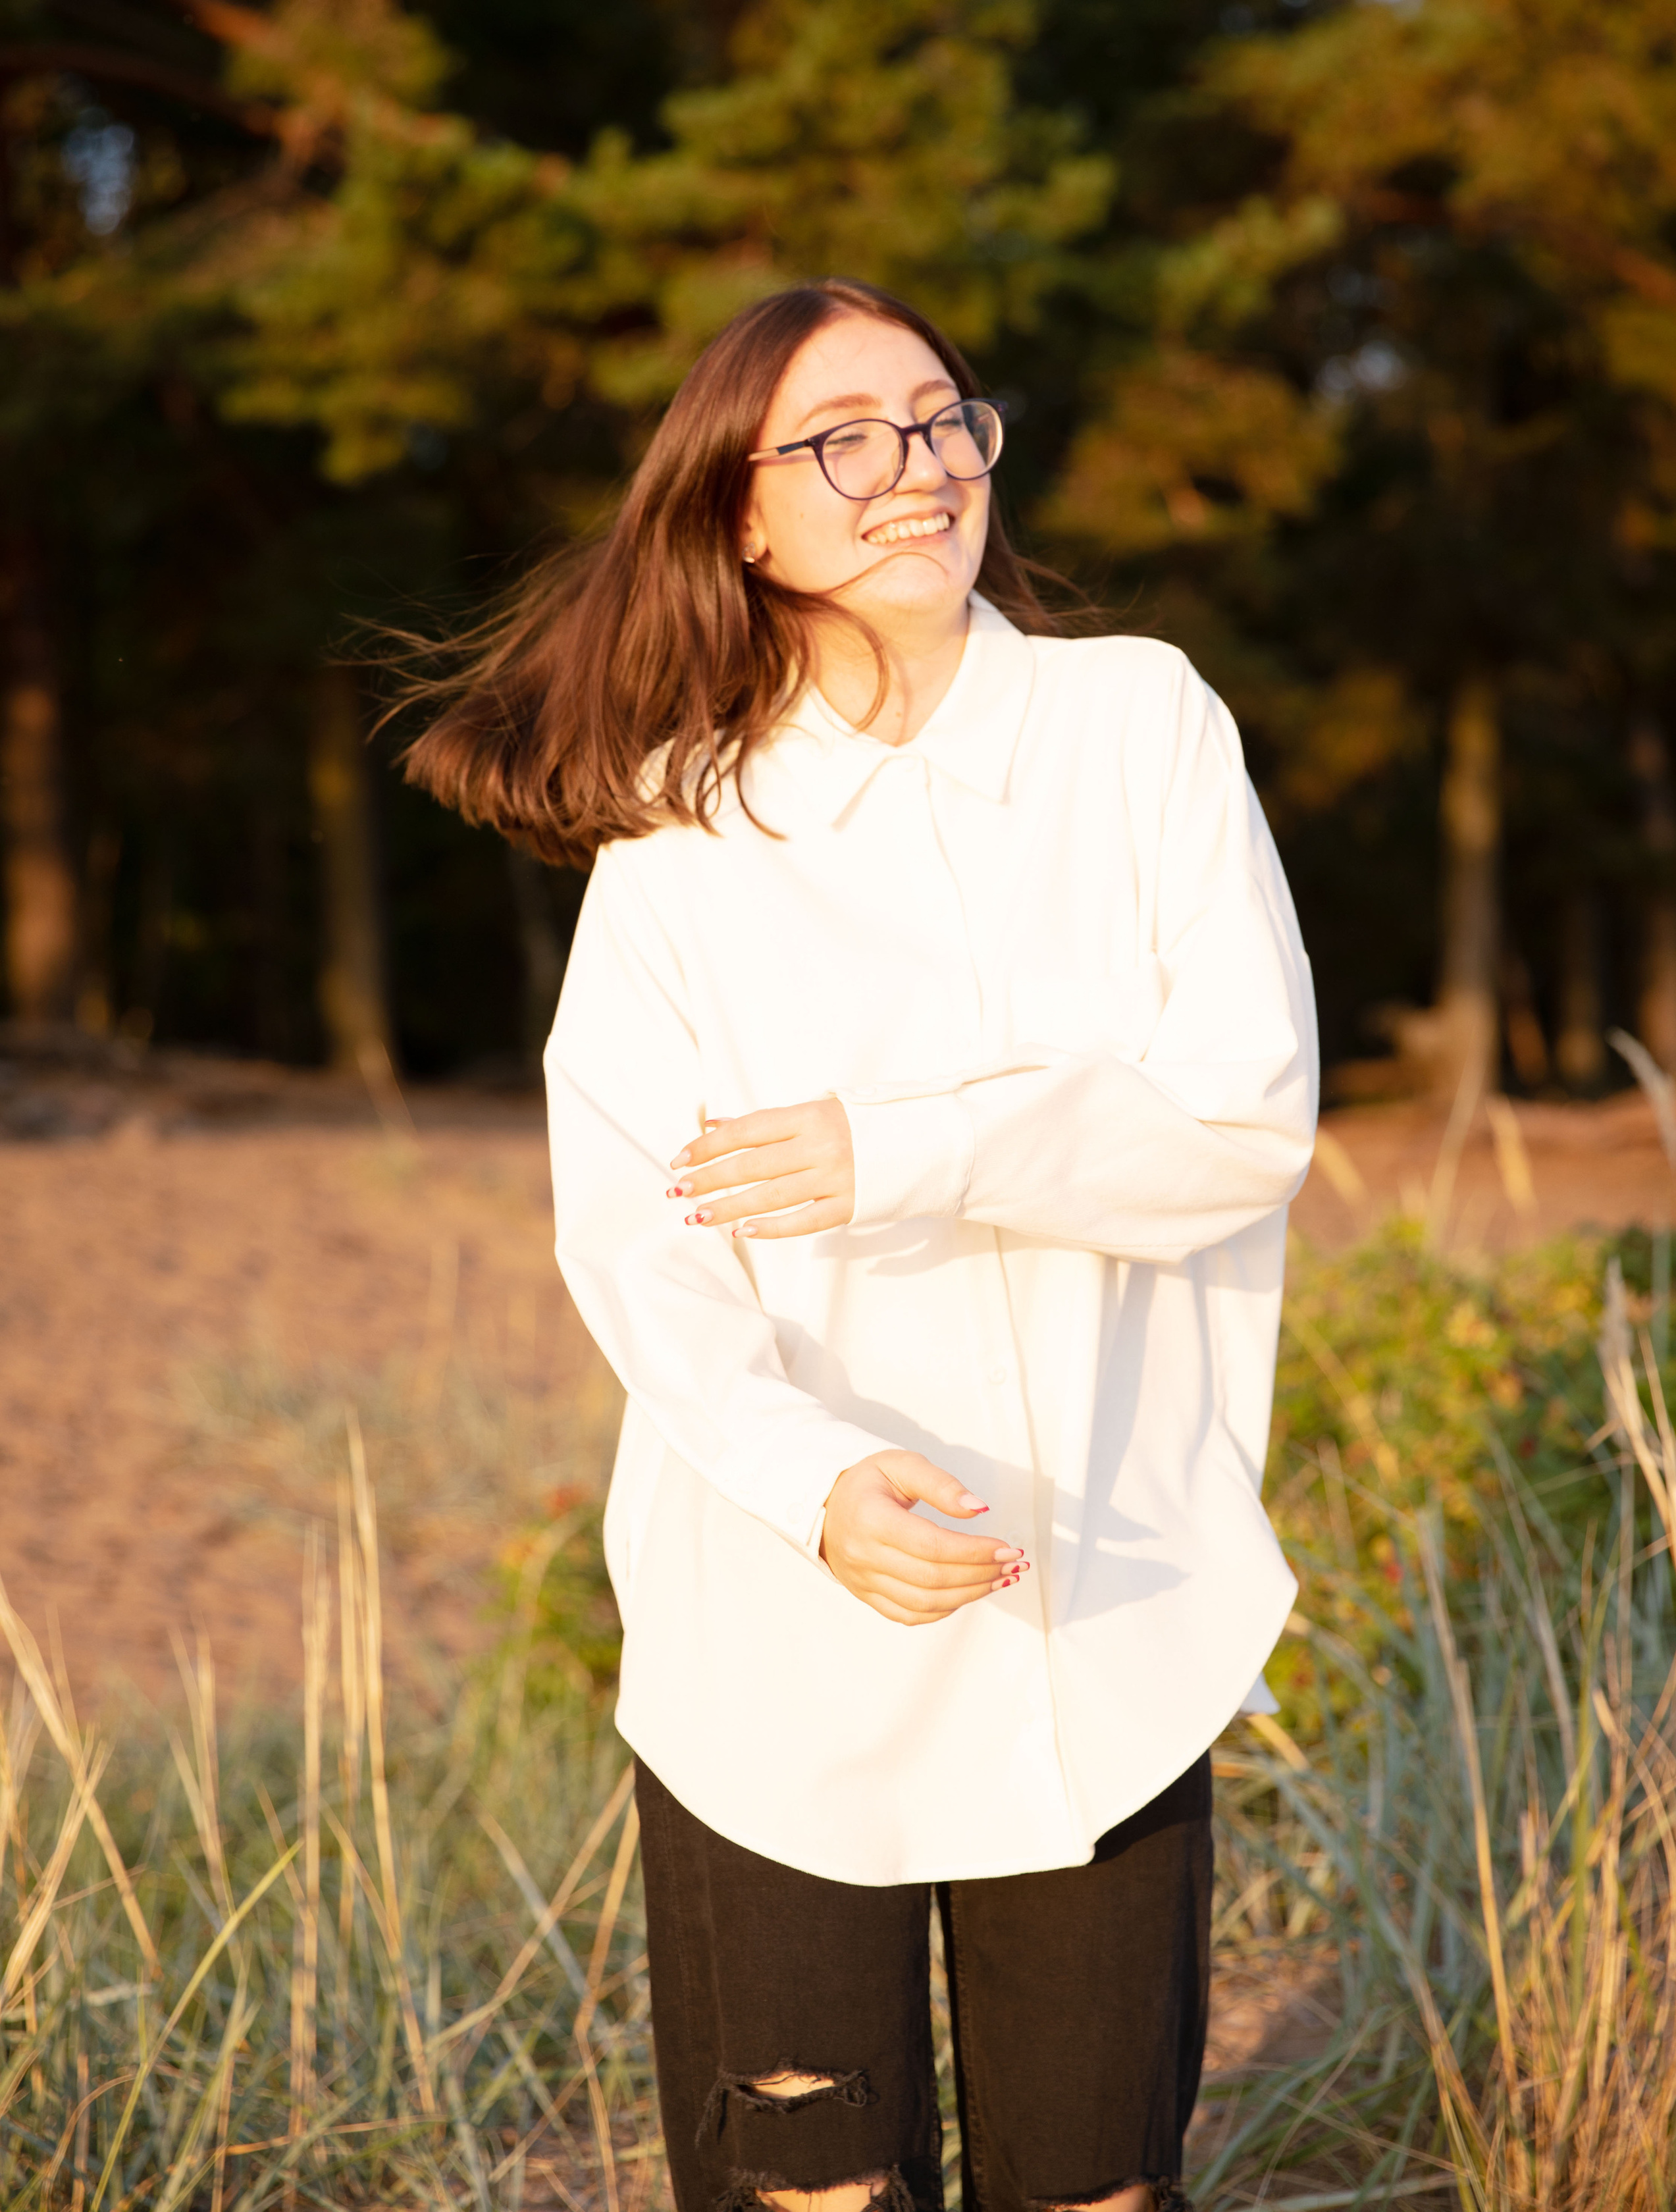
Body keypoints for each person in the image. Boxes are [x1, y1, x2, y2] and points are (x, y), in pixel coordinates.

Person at [404, 278, 1318, 2212]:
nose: (915, 470)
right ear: (743, 515)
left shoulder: (1141, 726)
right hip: (783, 1630)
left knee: (1095, 2187)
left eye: (942, 418)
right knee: (812, 2197)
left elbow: (1241, 1125)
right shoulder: (682, 842)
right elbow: (637, 1242)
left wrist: (895, 1154)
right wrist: (813, 1484)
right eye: (843, 438)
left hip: (1108, 1601)